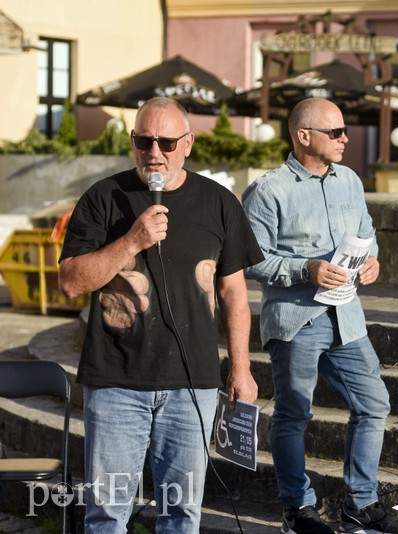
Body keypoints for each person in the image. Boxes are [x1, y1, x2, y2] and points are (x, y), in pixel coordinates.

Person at [58, 96, 263, 533]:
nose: (155, 153)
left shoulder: (219, 203)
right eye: (144, 140)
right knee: (107, 512)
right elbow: (72, 281)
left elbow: (234, 293)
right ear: (132, 141)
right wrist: (132, 241)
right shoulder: (103, 199)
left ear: (188, 144)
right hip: (116, 382)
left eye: (166, 143)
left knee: (182, 514)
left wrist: (241, 368)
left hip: (193, 385)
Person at [242, 98, 398, 534]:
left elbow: (367, 234)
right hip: (297, 320)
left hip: (347, 317)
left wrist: (372, 259)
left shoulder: (350, 180)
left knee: (374, 404)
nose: (345, 139)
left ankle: (361, 503)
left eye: (344, 131)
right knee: (294, 414)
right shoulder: (268, 190)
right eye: (334, 132)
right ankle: (297, 509)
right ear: (303, 136)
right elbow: (249, 260)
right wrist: (306, 268)